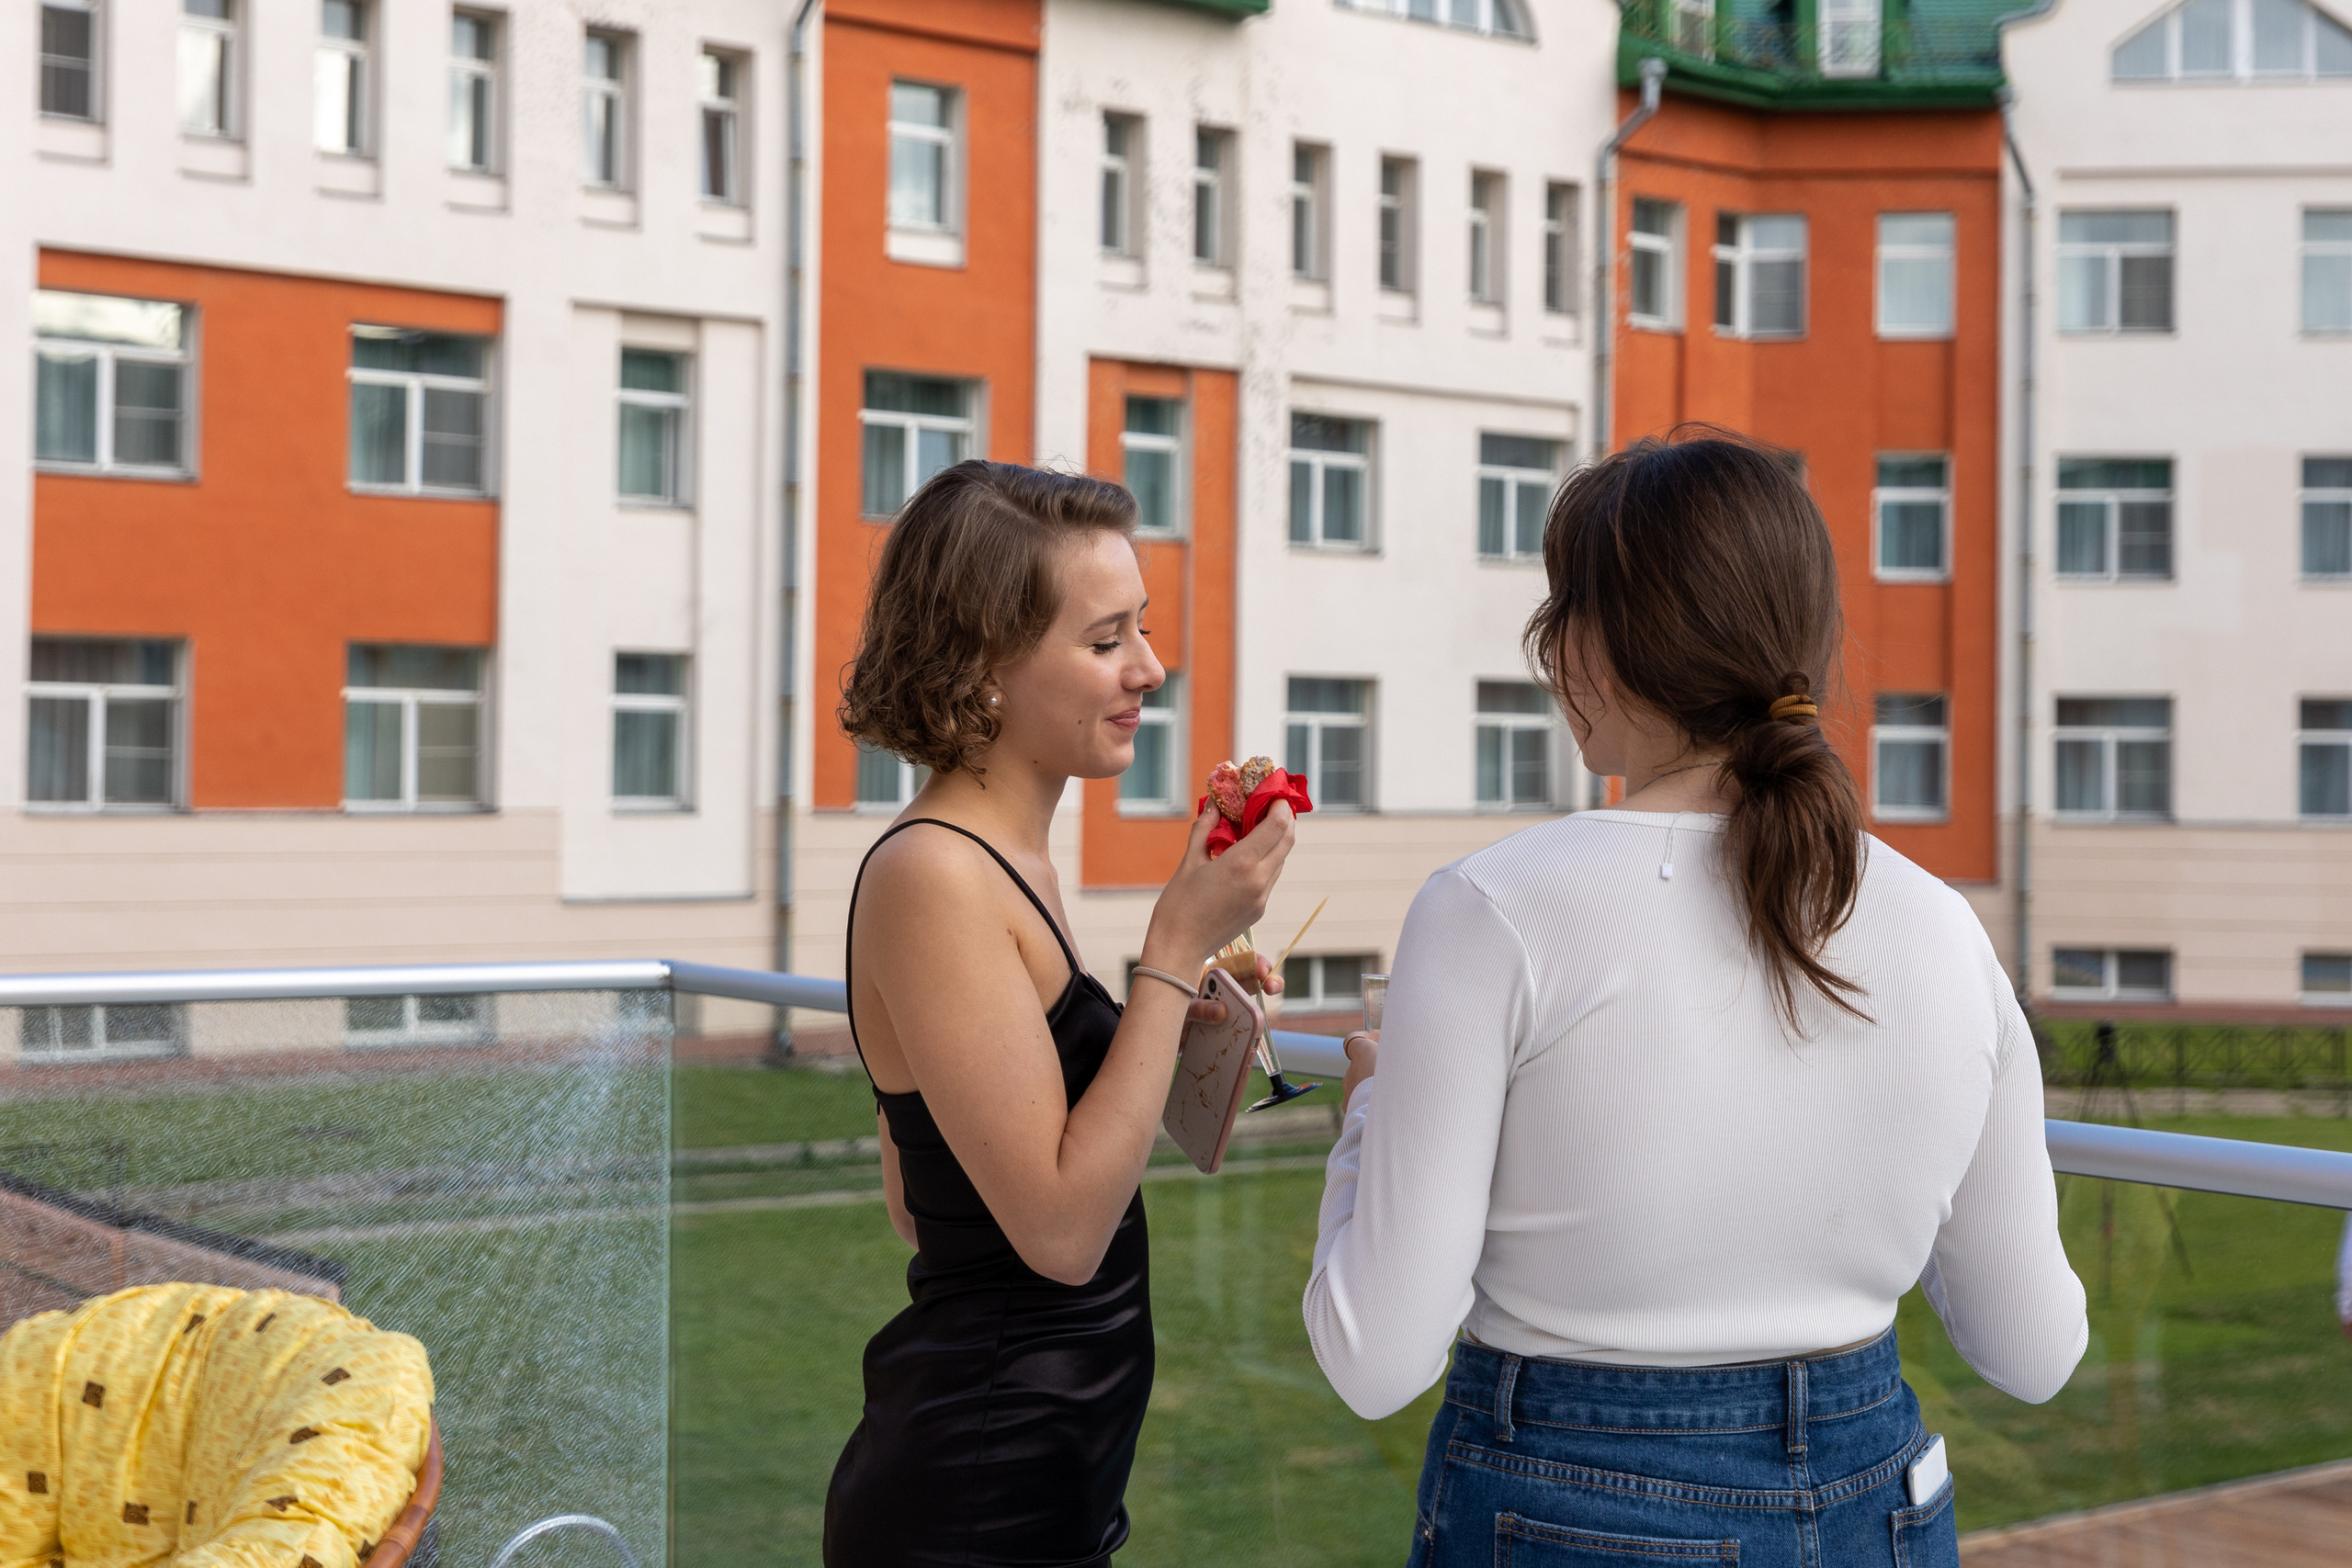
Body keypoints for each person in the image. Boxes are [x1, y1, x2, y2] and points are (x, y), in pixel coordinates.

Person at [1304, 432, 2087, 1566]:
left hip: (1566, 1503)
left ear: (1596, 650)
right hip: (1880, 1507)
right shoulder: (1944, 931)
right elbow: (2034, 1348)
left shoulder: (1493, 909)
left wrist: (1368, 1121)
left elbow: (1373, 1360)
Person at [823, 460, 1295, 1568]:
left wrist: (1174, 1019)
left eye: (1142, 628)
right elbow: (1060, 1232)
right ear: (985, 669)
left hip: (1033, 1475)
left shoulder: (1010, 856)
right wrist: (1171, 955)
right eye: (1105, 641)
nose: (1150, 667)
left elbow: (921, 1199)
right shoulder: (934, 876)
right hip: (976, 1497)